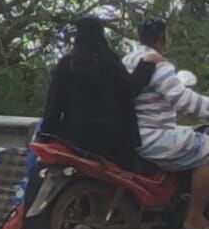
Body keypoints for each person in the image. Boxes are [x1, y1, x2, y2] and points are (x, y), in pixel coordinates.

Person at [124, 20, 209, 229]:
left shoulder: (128, 59)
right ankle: (195, 218)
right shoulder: (159, 65)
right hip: (154, 137)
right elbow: (184, 102)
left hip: (136, 133)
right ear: (163, 39)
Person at [39, 17, 155, 168]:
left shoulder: (65, 65)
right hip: (113, 145)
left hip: (74, 142)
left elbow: (53, 107)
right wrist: (146, 67)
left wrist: (46, 137)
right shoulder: (109, 62)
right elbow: (129, 90)